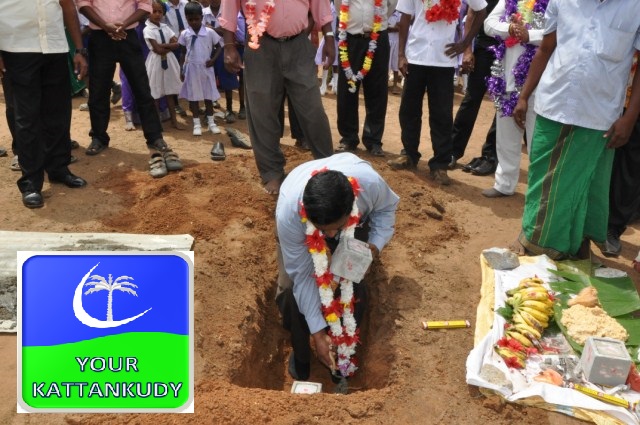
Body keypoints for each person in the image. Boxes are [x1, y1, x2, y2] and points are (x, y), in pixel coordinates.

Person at [512, 0, 640, 260]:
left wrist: (630, 118)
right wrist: (524, 96)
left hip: (599, 114)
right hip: (553, 103)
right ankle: (535, 239)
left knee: (585, 185)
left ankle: (573, 243)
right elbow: (546, 48)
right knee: (541, 179)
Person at [275, 152, 399, 381]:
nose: (331, 236)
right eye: (324, 230)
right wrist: (318, 333)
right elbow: (302, 276)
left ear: (351, 207)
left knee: (353, 280)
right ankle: (302, 353)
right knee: (290, 290)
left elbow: (386, 209)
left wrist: (373, 246)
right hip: (300, 227)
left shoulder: (369, 184)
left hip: (353, 225)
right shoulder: (289, 214)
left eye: (336, 227)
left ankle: (344, 352)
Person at [219, 0, 335, 195]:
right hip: (259, 44)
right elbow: (229, 7)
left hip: (299, 43)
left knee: (312, 109)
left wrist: (329, 37)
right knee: (262, 110)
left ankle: (327, 165)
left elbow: (320, 5)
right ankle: (271, 172)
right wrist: (229, 46)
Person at [0, 0, 88, 208]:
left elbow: (67, 6)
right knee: (27, 118)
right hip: (17, 49)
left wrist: (79, 49)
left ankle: (58, 169)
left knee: (58, 113)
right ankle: (31, 182)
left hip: (54, 46)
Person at [388, 0, 487, 186]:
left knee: (441, 115)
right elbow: (405, 17)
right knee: (409, 110)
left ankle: (440, 165)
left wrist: (465, 43)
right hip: (415, 56)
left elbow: (481, 10)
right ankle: (409, 154)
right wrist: (401, 55)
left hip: (443, 59)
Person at [77, 0, 176, 160]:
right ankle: (98, 137)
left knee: (142, 88)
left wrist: (123, 25)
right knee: (98, 91)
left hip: (128, 35)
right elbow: (83, 5)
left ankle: (155, 137)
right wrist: (105, 26)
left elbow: (145, 5)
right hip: (100, 36)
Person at [480, 0, 547, 198]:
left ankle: (539, 192)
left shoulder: (557, 3)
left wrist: (529, 35)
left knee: (538, 141)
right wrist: (510, 28)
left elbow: (560, 34)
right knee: (505, 137)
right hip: (506, 79)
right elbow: (488, 24)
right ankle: (504, 184)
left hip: (539, 84)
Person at [334, 0, 397, 157]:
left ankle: (373, 140)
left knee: (377, 91)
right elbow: (338, 5)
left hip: (377, 37)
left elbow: (391, 5)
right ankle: (348, 138)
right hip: (349, 38)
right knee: (347, 90)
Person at [451, 2, 499, 175]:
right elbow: (472, 13)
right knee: (471, 99)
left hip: (511, 50)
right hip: (484, 48)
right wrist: (467, 51)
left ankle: (490, 156)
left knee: (503, 105)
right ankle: (452, 150)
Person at [179, 2, 222, 137]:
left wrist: (213, 60)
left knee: (208, 96)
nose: (194, 22)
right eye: (190, 19)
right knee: (194, 97)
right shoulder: (185, 34)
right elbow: (182, 53)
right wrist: (181, 69)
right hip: (191, 69)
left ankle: (211, 122)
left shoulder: (209, 32)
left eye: (197, 19)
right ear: (186, 18)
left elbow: (219, 46)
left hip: (206, 68)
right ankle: (196, 123)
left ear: (201, 17)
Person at [144, 0, 184, 130]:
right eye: (154, 11)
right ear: (148, 13)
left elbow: (177, 44)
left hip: (169, 62)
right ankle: (157, 124)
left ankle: (174, 121)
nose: (157, 14)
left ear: (163, 13)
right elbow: (157, 50)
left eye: (160, 12)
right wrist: (168, 46)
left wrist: (162, 45)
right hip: (155, 62)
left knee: (170, 92)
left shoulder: (165, 27)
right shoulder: (147, 29)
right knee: (155, 92)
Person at [387, 10, 402, 96]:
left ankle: (395, 85)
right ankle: (384, 83)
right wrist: (393, 28)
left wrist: (389, 28)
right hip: (387, 41)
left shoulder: (399, 15)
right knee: (386, 63)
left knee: (395, 63)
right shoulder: (387, 13)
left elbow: (400, 28)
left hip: (397, 41)